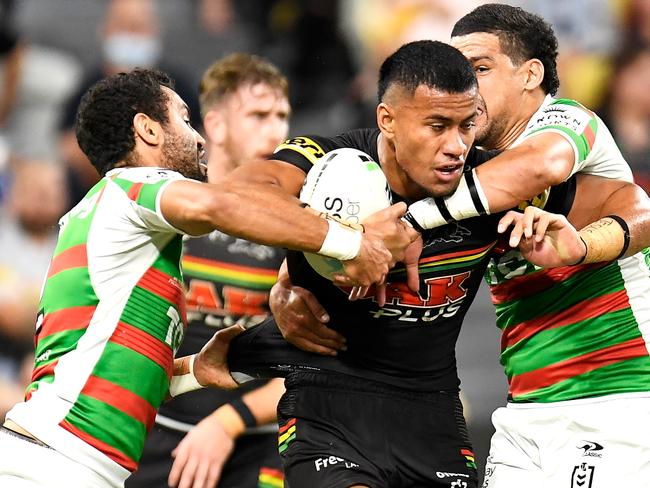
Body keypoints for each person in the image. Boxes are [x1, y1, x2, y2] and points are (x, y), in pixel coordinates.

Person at [271, 4, 650, 487]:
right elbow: (373, 216)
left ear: (530, 74)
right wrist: (291, 282)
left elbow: (549, 173)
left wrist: (408, 222)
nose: (465, 85)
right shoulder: (461, 161)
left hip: (615, 392)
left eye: (480, 68)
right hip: (528, 408)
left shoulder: (566, 122)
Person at [0, 68, 414, 488]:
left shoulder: (110, 223)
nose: (199, 138)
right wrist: (349, 244)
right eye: (184, 119)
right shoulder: (130, 187)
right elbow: (217, 207)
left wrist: (195, 370)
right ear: (147, 129)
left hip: (56, 459)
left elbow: (106, 375)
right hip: (56, 465)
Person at [210, 39, 585, 488]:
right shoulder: (325, 159)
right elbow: (236, 197)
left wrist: (585, 243)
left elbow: (625, 203)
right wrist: (349, 244)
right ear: (386, 119)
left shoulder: (494, 183)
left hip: (434, 414)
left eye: (467, 125)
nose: (456, 145)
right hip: (330, 408)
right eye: (437, 125)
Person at [127, 54, 289, 488]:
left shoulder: (299, 226)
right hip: (152, 436)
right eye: (258, 115)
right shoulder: (160, 209)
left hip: (258, 444)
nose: (276, 131)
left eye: (282, 116)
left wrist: (227, 422)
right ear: (214, 126)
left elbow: (316, 369)